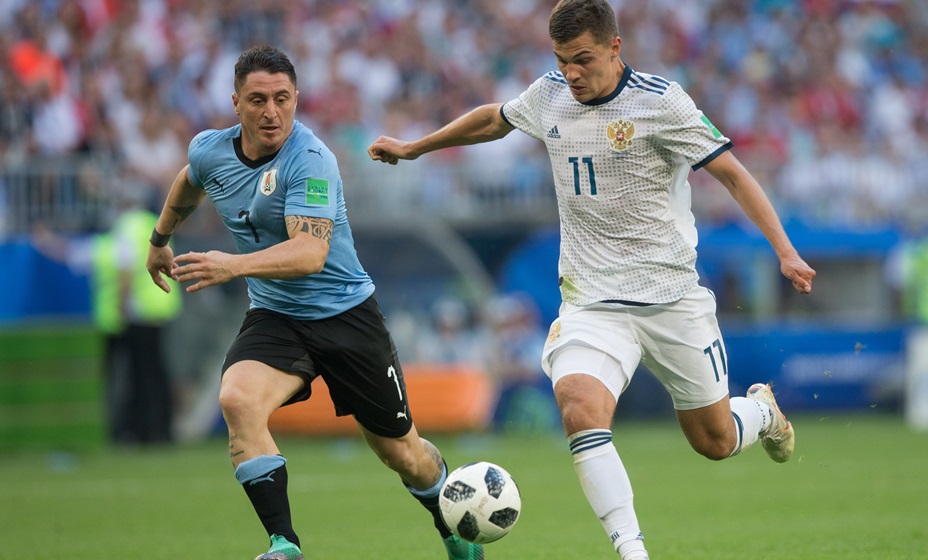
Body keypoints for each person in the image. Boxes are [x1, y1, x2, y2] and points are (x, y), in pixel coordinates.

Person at [367, 1, 817, 558]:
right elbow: (493, 119)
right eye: (562, 60)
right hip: (591, 301)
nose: (571, 73)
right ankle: (632, 551)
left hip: (671, 299)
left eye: (582, 59)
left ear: (614, 47)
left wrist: (785, 252)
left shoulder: (661, 102)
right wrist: (415, 147)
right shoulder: (550, 94)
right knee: (579, 407)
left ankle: (764, 413)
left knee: (715, 440)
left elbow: (732, 174)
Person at [145, 45, 482, 560]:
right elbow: (190, 181)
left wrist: (233, 266)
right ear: (236, 103)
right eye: (257, 100)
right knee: (238, 400)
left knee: (403, 454)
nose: (271, 111)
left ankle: (453, 528)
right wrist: (159, 238)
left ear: (297, 99)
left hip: (347, 317)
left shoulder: (311, 159)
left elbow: (309, 253)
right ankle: (285, 545)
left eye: (282, 98)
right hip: (276, 316)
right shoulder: (211, 150)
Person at [32, 182, 182, 445]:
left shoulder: (126, 227)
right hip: (161, 306)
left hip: (138, 311)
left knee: (139, 376)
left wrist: (121, 306)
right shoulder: (155, 223)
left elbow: (125, 267)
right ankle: (161, 431)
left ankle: (141, 431)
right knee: (157, 373)